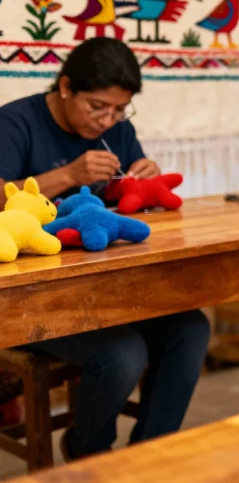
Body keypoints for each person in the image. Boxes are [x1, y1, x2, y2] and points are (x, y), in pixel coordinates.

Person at [0, 37, 209, 460]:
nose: (107, 120)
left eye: (119, 110)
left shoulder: (118, 131)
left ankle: (147, 455)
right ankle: (88, 453)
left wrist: (145, 181)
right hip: (34, 296)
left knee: (191, 331)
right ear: (65, 87)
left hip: (109, 284)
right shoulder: (15, 122)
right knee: (122, 354)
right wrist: (67, 175)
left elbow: (131, 205)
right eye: (97, 107)